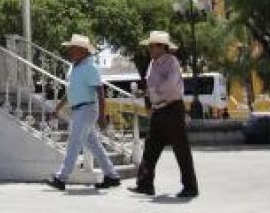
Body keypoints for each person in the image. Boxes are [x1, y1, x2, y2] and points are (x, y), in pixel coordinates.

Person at [129, 31, 199, 199]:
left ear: (162, 47)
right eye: (150, 46)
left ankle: (190, 187)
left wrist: (150, 91)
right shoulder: (152, 64)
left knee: (181, 149)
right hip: (159, 109)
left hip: (173, 108)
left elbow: (170, 85)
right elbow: (154, 87)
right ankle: (145, 184)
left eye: (152, 46)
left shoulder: (172, 62)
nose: (149, 49)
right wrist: (145, 94)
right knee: (150, 148)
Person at [47, 34, 121, 191]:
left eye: (72, 48)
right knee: (94, 145)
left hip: (87, 109)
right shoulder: (73, 67)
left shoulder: (90, 67)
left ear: (82, 50)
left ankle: (61, 178)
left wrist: (102, 115)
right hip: (79, 110)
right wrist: (58, 108)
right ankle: (112, 176)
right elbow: (70, 92)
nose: (70, 51)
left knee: (74, 142)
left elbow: (100, 92)